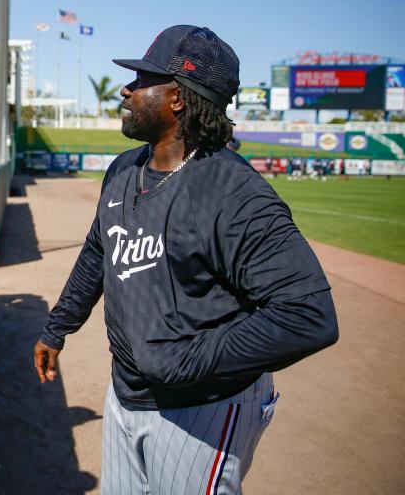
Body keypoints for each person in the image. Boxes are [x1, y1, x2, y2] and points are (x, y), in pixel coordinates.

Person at [33, 25, 338, 494]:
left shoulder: (232, 191)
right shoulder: (123, 170)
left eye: (141, 80)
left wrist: (183, 361)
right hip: (127, 393)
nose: (126, 89)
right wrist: (58, 328)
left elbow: (308, 315)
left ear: (177, 97)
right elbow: (100, 250)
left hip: (204, 407)